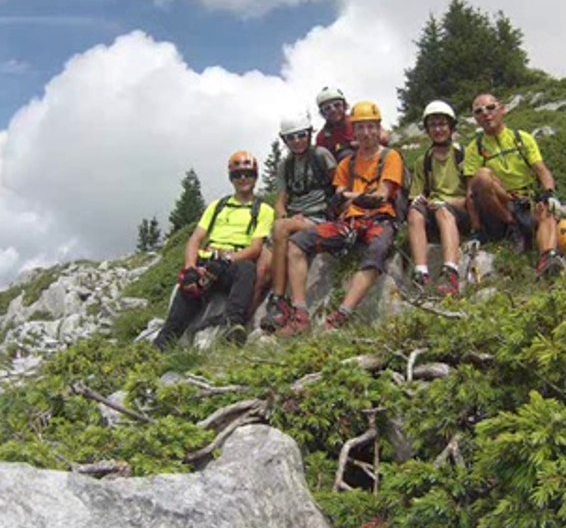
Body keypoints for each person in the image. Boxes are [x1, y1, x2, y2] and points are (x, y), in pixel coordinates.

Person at [279, 101, 405, 335]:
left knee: (376, 251)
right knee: (296, 244)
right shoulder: (347, 164)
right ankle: (300, 313)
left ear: (378, 129)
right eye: (360, 128)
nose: (366, 133)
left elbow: (381, 196)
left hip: (380, 220)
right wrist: (352, 198)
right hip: (348, 223)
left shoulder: (390, 157)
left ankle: (342, 314)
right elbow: (340, 197)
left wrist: (350, 195)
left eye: (371, 127)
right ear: (354, 132)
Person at [153, 151, 275, 351]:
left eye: (248, 174)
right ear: (231, 179)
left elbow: (255, 248)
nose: (243, 179)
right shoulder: (217, 206)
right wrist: (190, 268)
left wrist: (226, 260)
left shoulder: (264, 210)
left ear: (255, 176)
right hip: (207, 263)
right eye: (237, 175)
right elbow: (195, 239)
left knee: (246, 270)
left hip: (233, 263)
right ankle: (164, 342)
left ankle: (232, 325)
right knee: (188, 288)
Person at [463, 93, 563, 278]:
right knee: (483, 176)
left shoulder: (522, 138)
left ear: (503, 109)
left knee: (546, 210)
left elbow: (541, 170)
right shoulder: (474, 148)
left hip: (525, 200)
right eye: (479, 111)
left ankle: (547, 258)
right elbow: (471, 194)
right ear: (475, 119)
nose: (485, 114)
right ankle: (512, 226)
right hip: (499, 207)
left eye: (491, 108)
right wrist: (476, 230)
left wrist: (549, 193)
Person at [256, 115, 337, 333]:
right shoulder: (285, 166)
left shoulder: (321, 155)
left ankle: (280, 300)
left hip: (321, 216)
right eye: (291, 138)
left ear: (309, 134)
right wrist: (285, 217)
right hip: (296, 218)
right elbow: (281, 201)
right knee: (263, 262)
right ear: (285, 140)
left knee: (281, 229)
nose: (298, 141)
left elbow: (338, 186)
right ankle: (241, 319)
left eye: (302, 135)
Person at [407, 100, 471, 297]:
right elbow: (416, 194)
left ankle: (451, 271)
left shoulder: (462, 154)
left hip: (459, 211)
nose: (438, 129)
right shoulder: (423, 161)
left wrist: (446, 203)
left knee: (443, 211)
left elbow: (472, 196)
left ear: (451, 127)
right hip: (434, 211)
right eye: (433, 125)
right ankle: (421, 272)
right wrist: (418, 201)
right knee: (414, 212)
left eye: (442, 124)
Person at [314, 86, 356, 163]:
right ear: (323, 113)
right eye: (327, 108)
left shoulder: (358, 122)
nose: (333, 110)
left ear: (344, 106)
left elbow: (383, 137)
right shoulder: (322, 137)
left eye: (337, 105)